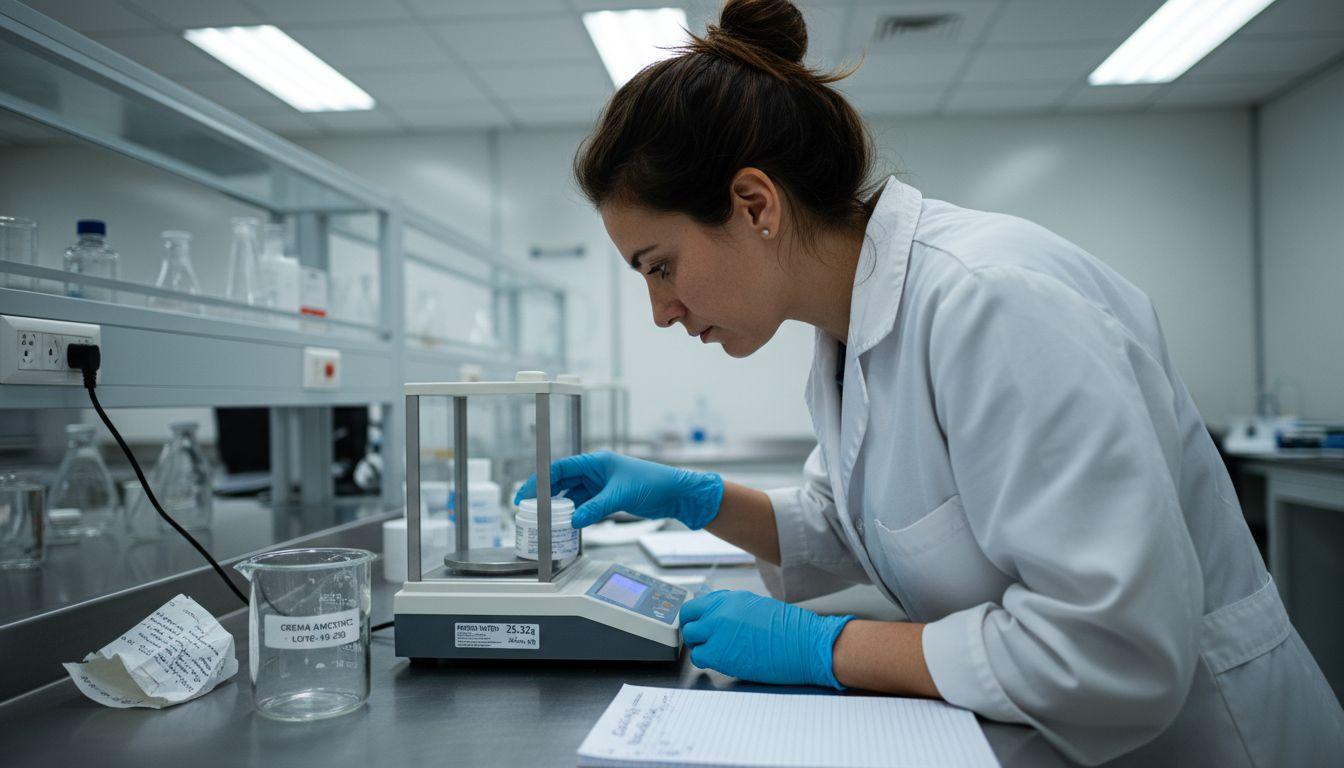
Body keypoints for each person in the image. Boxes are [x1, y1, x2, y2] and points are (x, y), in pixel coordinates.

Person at [513, 0, 1344, 764]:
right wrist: (693, 497)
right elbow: (854, 523)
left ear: (756, 205)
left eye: (660, 266)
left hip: (1213, 740)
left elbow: (1111, 650)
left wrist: (827, 649)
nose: (661, 311)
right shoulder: (850, 329)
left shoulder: (993, 302)